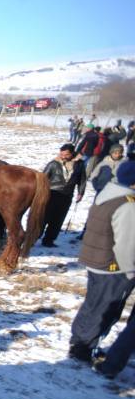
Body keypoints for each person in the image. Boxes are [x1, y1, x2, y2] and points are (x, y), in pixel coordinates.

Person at [68, 162, 135, 364]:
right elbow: (127, 244)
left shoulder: (108, 194)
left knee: (93, 304)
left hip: (96, 259)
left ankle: (79, 340)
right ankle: (83, 349)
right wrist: (130, 271)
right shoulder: (128, 205)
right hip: (114, 267)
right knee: (105, 308)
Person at [42, 144, 86, 247]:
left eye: (66, 154)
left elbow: (82, 179)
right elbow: (43, 179)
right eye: (61, 154)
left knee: (58, 220)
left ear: (72, 153)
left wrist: (81, 192)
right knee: (43, 218)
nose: (63, 156)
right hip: (51, 194)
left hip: (67, 195)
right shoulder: (53, 164)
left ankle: (49, 240)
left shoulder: (79, 164)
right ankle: (34, 238)